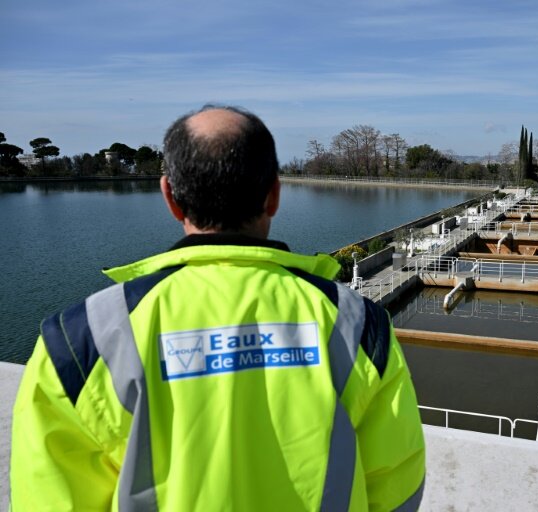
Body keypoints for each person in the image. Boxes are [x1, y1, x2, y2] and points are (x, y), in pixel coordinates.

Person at [10, 105, 426, 511]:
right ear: (274, 196)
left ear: (170, 197)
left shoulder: (80, 340)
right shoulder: (358, 325)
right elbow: (397, 486)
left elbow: (48, 497)